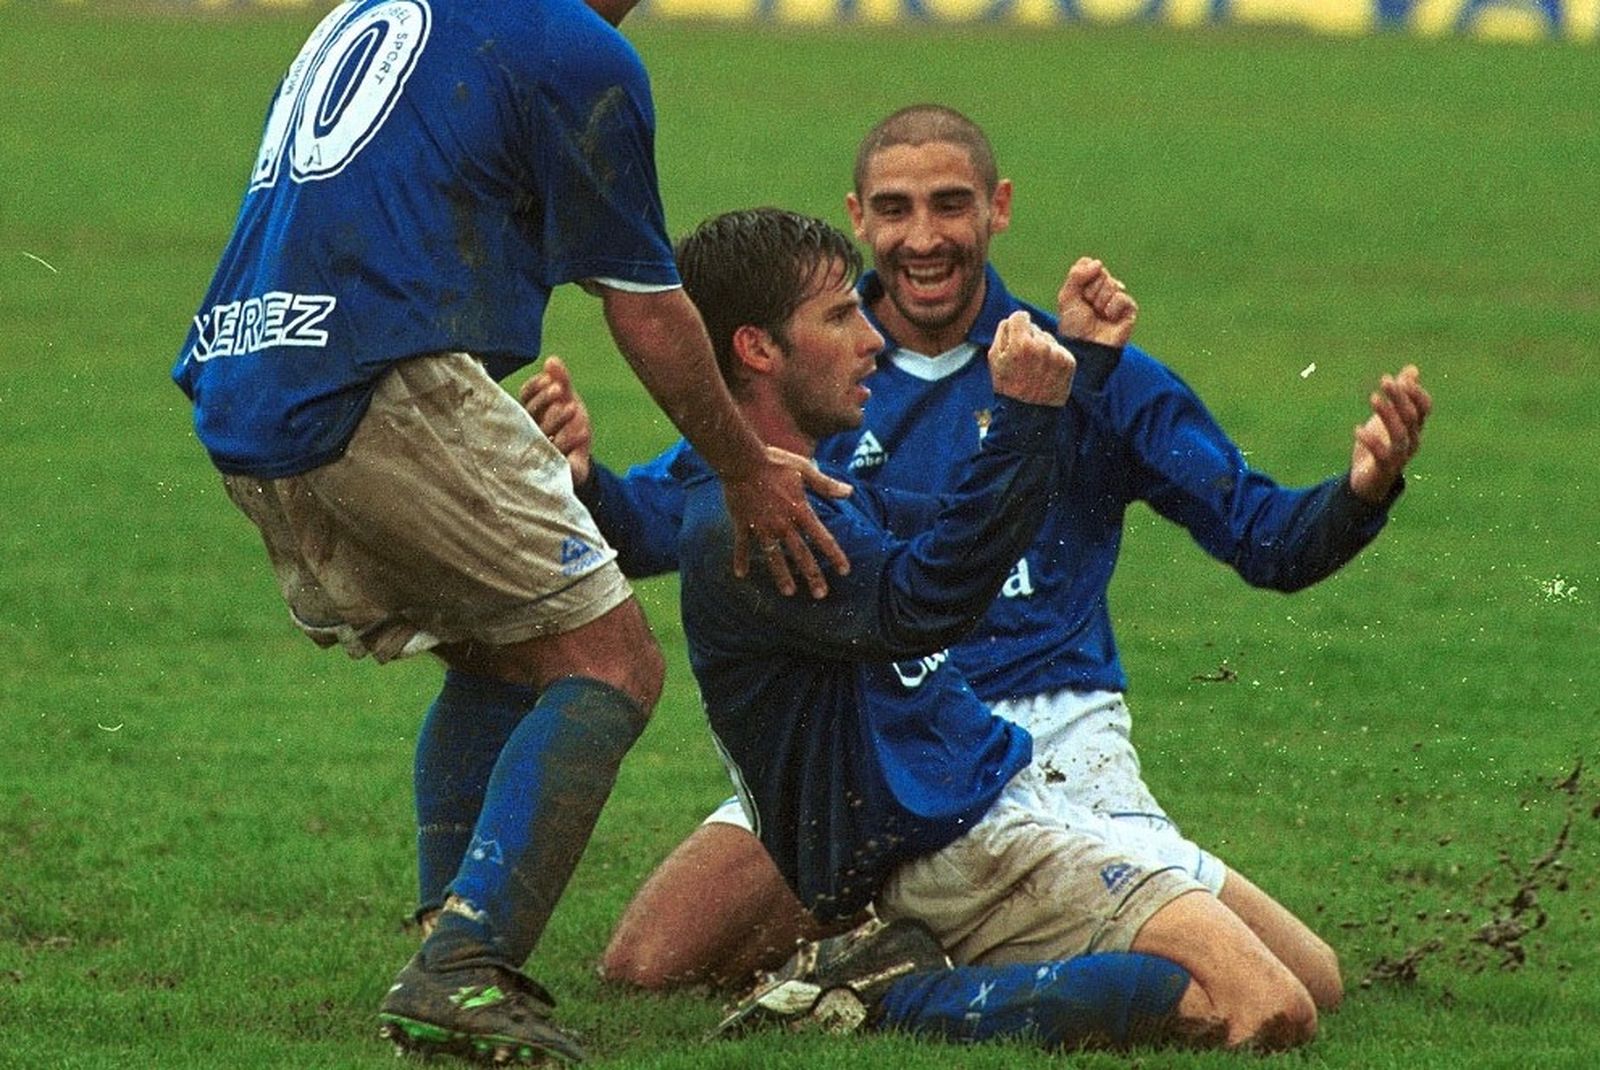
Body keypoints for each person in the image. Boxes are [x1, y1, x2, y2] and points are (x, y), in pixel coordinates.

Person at [524, 104, 1431, 1006]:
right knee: (649, 965)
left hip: (1055, 728)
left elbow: (1267, 540)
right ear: (858, 217)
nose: (923, 237)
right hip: (870, 736)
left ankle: (910, 969)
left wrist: (1360, 491)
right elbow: (666, 521)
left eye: (950, 204)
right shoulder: (808, 376)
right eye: (895, 209)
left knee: (1309, 981)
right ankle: (907, 965)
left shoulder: (1075, 366)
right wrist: (584, 480)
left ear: (997, 208)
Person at [171, 0, 849, 1063]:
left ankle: (445, 931)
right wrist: (742, 466)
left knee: (499, 651)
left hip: (246, 385)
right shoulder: (571, 44)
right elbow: (647, 307)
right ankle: (462, 966)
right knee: (611, 662)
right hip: (376, 377)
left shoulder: (376, 12)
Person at [651, 205, 1317, 1051]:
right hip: (954, 849)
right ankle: (885, 998)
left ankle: (898, 978)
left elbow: (959, 526)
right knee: (1265, 1004)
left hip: (1003, 797)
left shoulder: (803, 488)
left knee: (1314, 976)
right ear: (757, 349)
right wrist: (1025, 418)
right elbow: (922, 602)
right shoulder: (756, 525)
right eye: (840, 315)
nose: (872, 339)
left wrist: (1071, 385)